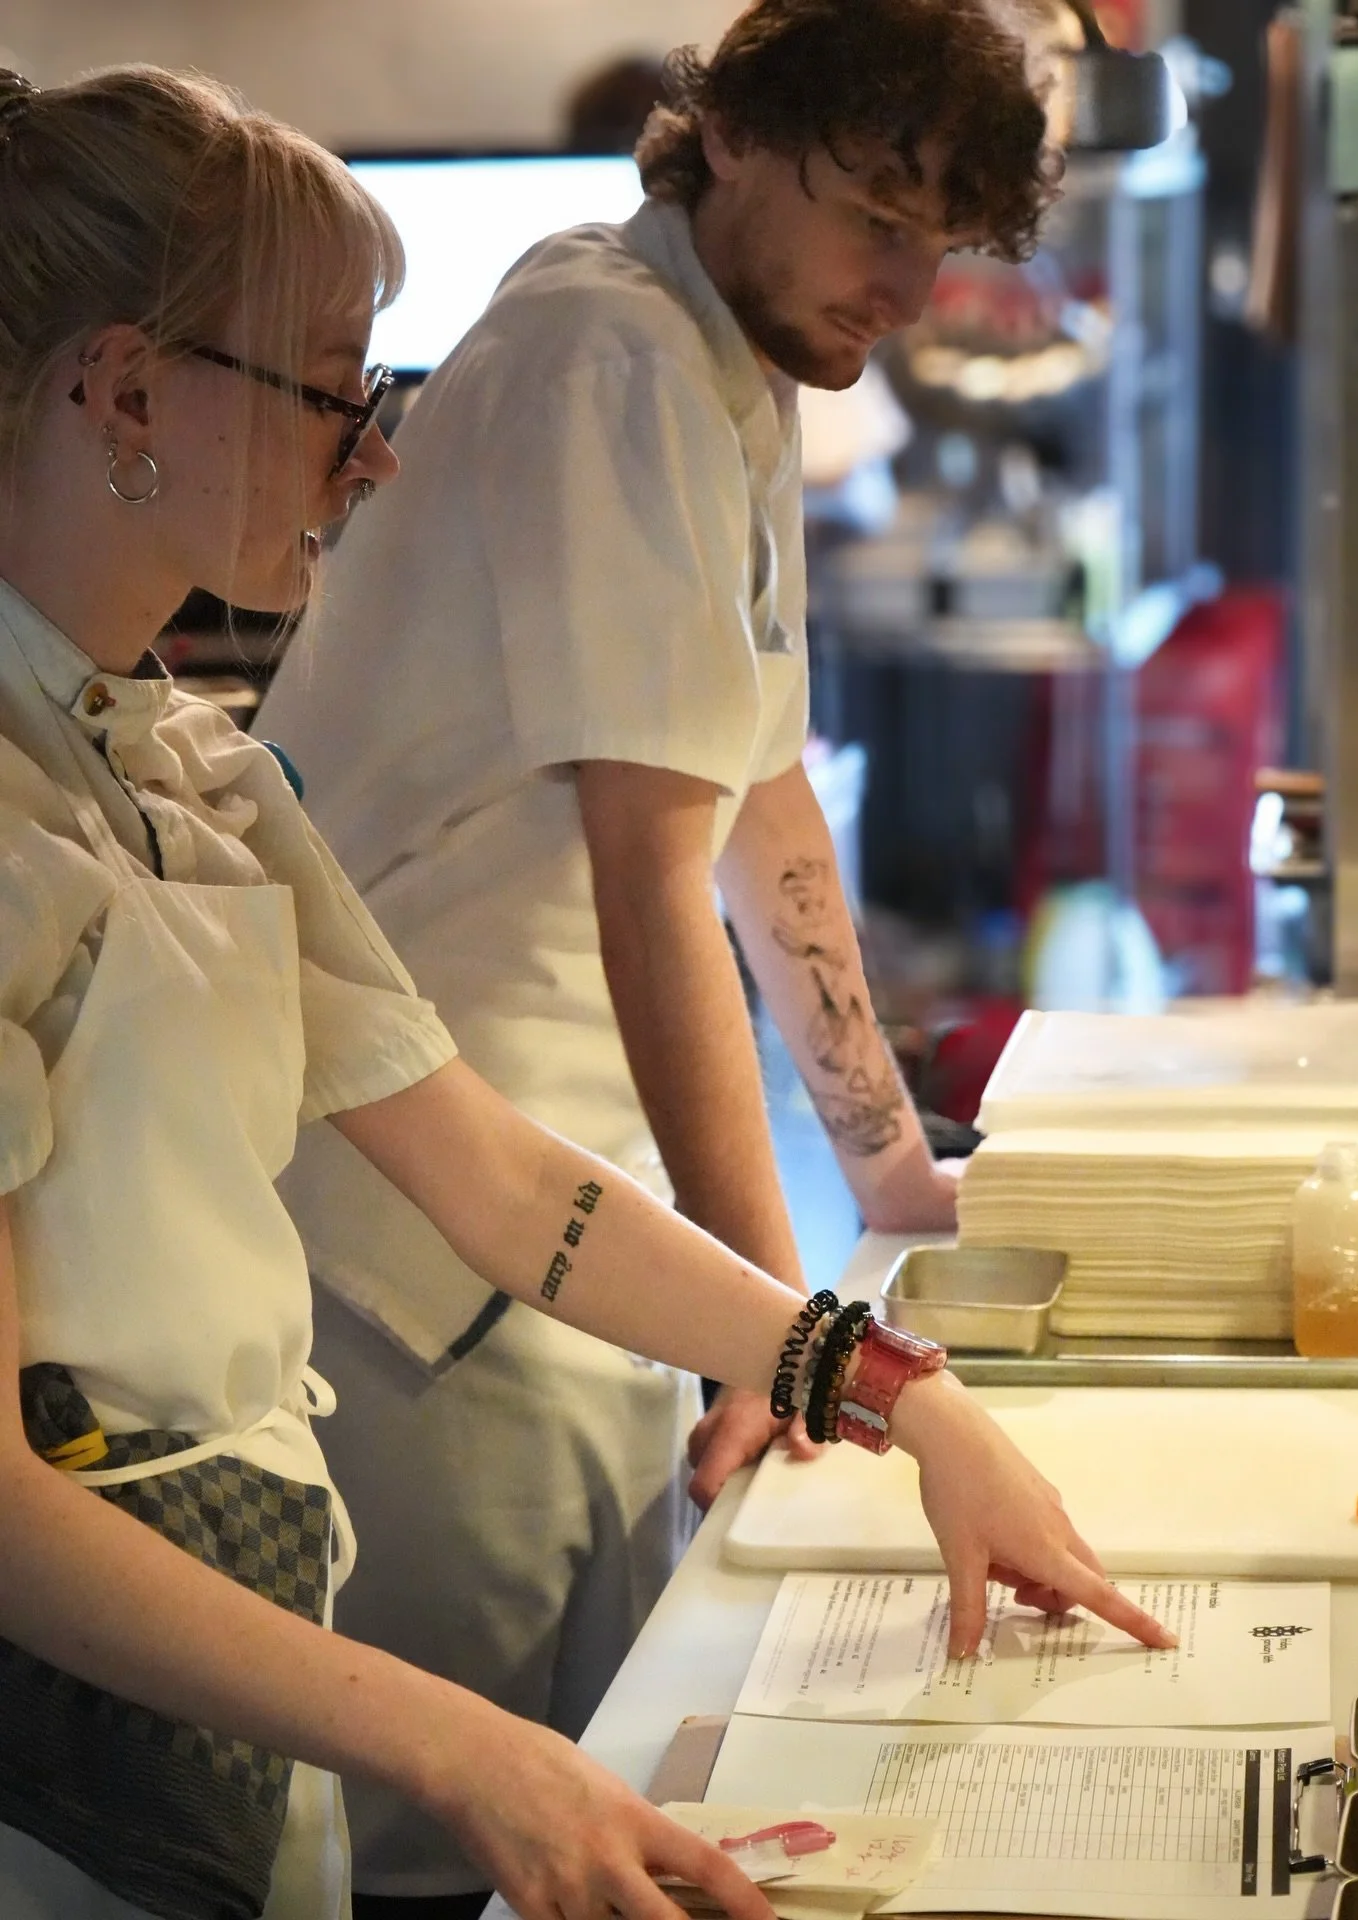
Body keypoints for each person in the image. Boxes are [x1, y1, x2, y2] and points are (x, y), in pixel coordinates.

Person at [0, 58, 1166, 1920]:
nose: (374, 451)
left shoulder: (186, 772)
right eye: (330, 386)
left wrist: (893, 1385)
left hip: (260, 1619)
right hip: (84, 1764)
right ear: (127, 390)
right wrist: (466, 1748)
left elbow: (496, 1175)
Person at [257, 0, 1062, 1907]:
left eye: (943, 235)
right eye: (881, 208)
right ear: (739, 137)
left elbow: (758, 795)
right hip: (422, 1257)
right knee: (473, 1849)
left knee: (601, 1803)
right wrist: (799, 1350)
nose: (911, 281)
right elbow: (649, 876)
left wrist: (887, 1178)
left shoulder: (728, 355)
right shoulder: (606, 350)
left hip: (563, 1221)